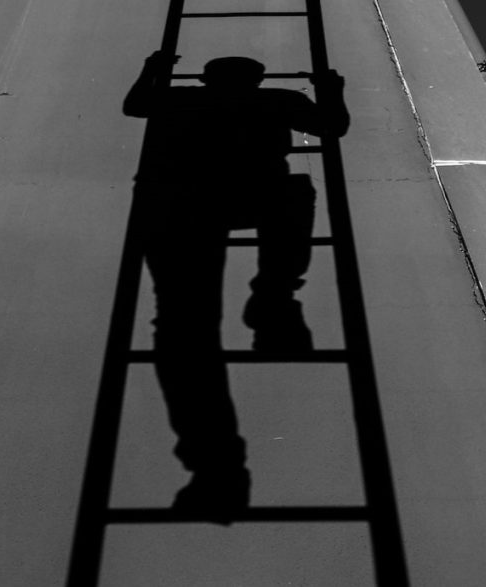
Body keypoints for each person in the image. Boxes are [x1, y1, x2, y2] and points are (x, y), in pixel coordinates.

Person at [123, 52, 349, 523]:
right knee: (184, 328)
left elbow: (137, 104)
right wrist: (330, 88)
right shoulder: (271, 100)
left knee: (183, 330)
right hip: (199, 204)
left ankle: (215, 464)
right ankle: (274, 302)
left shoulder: (185, 99)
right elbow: (332, 125)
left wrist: (153, 70)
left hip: (185, 207)